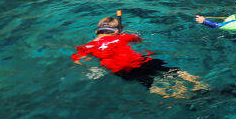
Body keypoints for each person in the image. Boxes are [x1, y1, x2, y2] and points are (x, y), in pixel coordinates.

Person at [71, 15, 208, 98]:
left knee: (151, 85)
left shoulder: (87, 46)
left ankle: (184, 96)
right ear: (117, 30)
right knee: (174, 71)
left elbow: (76, 59)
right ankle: (202, 85)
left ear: (98, 30)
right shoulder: (124, 36)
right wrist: (124, 34)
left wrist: (89, 65)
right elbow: (139, 40)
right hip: (141, 61)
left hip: (123, 69)